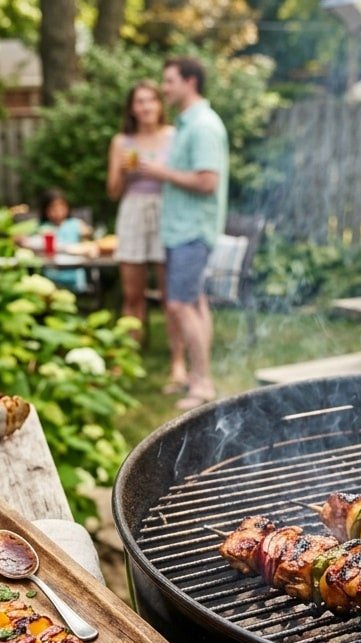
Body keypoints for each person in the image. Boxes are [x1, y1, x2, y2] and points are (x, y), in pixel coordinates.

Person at [138, 57, 228, 410]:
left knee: (179, 305)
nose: (164, 88)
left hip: (192, 230)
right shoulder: (188, 123)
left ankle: (202, 383)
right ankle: (198, 377)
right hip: (183, 229)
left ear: (190, 82)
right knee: (194, 303)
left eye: (170, 80)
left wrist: (161, 173)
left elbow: (207, 181)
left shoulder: (203, 125)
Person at [107, 80, 175, 343]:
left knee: (170, 293)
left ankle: (177, 362)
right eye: (140, 101)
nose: (146, 106)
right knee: (133, 295)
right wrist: (124, 172)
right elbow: (113, 191)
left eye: (151, 100)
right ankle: (129, 355)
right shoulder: (122, 142)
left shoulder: (174, 136)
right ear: (132, 109)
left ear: (160, 104)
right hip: (133, 212)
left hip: (166, 212)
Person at [36, 188, 87, 293]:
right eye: (53, 208)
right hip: (51, 275)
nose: (58, 211)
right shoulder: (43, 228)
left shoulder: (76, 224)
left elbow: (87, 238)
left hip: (74, 274)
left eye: (61, 207)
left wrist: (87, 234)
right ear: (45, 210)